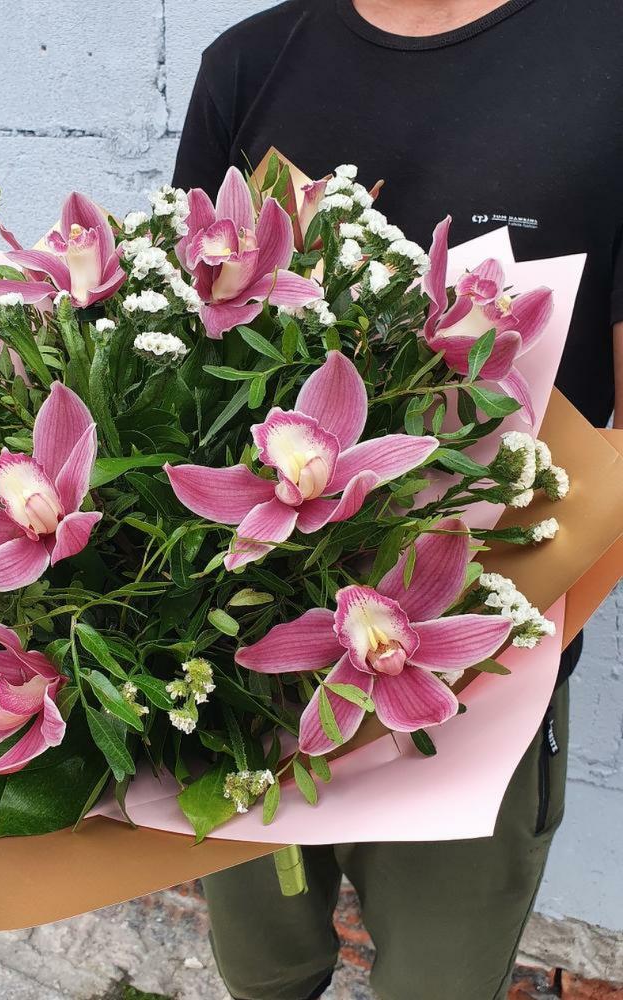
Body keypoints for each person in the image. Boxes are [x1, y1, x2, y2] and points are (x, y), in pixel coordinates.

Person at [172, 1, 622, 998]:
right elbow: (186, 348)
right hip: (246, 667)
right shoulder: (250, 62)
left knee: (438, 983)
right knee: (262, 973)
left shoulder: (607, 58)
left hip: (482, 674)